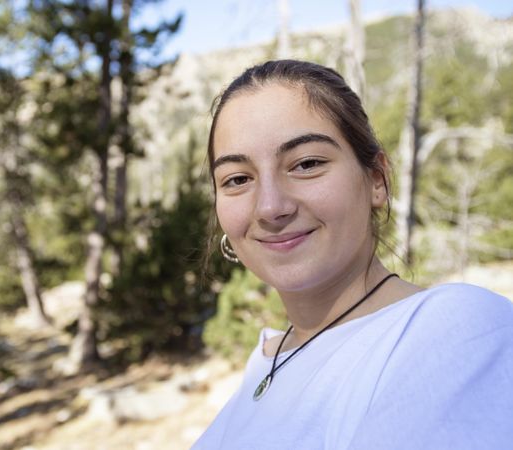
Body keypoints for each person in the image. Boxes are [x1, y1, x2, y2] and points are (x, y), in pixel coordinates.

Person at [192, 60, 513, 449]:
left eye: (306, 164)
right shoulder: (269, 357)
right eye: (238, 179)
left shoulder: (457, 331)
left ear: (377, 179)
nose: (270, 207)